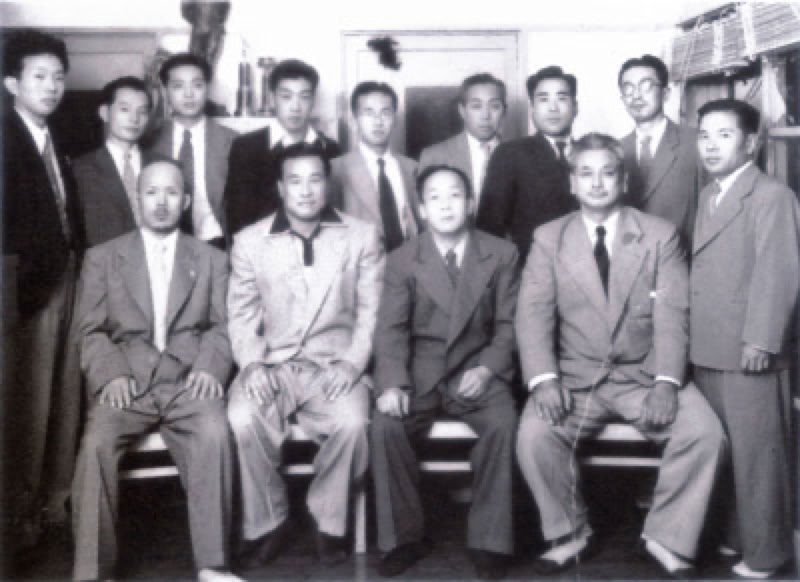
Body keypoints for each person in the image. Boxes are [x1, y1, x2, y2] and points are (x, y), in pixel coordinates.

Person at [515, 133, 725, 578]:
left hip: (644, 375)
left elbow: (672, 314)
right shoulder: (549, 238)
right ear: (572, 183)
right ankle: (570, 532)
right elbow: (533, 315)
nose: (596, 183)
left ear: (624, 180)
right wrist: (544, 379)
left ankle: (668, 536)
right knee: (534, 436)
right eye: (586, 173)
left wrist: (667, 382)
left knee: (705, 434)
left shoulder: (659, 235)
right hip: (575, 378)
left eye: (607, 173)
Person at [71, 158, 239, 582]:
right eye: (151, 192)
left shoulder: (212, 258)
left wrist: (210, 368)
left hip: (188, 382)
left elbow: (223, 326)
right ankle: (93, 572)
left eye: (171, 193)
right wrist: (111, 375)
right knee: (95, 444)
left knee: (215, 433)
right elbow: (89, 330)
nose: (161, 202)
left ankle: (213, 564)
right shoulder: (103, 258)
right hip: (127, 382)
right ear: (137, 199)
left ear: (186, 201)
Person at [226, 142, 384, 567]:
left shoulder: (361, 236)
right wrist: (252, 364)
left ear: (328, 184)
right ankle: (269, 521)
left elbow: (372, 313)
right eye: (295, 181)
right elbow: (241, 317)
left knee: (353, 423)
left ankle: (325, 518)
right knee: (242, 417)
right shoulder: (250, 241)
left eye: (315, 179)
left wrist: (352, 363)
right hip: (273, 364)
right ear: (280, 188)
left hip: (334, 365)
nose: (306, 190)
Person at [371, 165, 519, 580]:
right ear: (421, 209)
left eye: (455, 195)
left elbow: (509, 325)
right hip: (420, 372)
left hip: (477, 368)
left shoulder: (501, 253)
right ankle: (403, 539)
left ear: (470, 203)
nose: (446, 205)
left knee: (504, 424)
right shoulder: (402, 259)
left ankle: (490, 541)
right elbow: (391, 329)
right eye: (434, 197)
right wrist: (392, 383)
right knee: (385, 426)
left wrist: (487, 369)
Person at [691, 98, 799, 579]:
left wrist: (761, 340)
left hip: (747, 350)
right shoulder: (709, 194)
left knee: (759, 458)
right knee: (729, 452)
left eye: (724, 135)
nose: (711, 145)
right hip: (709, 347)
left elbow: (779, 272)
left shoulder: (772, 195)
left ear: (751, 143)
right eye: (704, 135)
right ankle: (739, 536)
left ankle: (768, 552)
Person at [2, 29, 85, 547]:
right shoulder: (5, 139)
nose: (52, 86)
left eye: (58, 76)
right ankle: (20, 516)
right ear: (11, 83)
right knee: (28, 404)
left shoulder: (59, 133)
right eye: (40, 76)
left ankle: (55, 503)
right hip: (25, 289)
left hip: (68, 276)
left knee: (65, 395)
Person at [224, 59, 341, 236]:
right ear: (272, 99)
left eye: (304, 97)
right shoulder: (246, 148)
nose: (295, 107)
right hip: (261, 247)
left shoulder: (330, 149)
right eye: (286, 97)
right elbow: (237, 217)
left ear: (313, 101)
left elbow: (336, 214)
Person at [477, 65, 579, 262]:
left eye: (561, 98)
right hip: (530, 269)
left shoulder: (591, 153)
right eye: (543, 99)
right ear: (532, 109)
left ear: (575, 107)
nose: (553, 108)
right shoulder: (510, 154)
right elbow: (489, 229)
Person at [147, 52, 236, 249]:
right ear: (166, 91)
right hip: (163, 244)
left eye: (197, 85)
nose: (188, 94)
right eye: (178, 86)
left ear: (207, 89)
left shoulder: (232, 141)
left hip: (217, 243)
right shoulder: (150, 142)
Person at [618, 54, 703, 247]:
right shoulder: (616, 150)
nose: (636, 95)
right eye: (628, 88)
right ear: (622, 98)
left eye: (646, 86)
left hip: (681, 257)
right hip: (631, 260)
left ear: (665, 93)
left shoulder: (695, 143)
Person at [330, 81, 420, 252]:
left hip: (408, 261)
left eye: (385, 112)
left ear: (394, 119)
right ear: (354, 120)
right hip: (360, 263)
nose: (378, 121)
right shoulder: (336, 170)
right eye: (369, 113)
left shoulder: (412, 168)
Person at [74, 76, 152, 247]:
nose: (134, 119)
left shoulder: (162, 166)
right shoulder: (80, 169)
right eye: (125, 109)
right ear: (104, 113)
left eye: (142, 111)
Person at [419, 73, 506, 205]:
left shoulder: (517, 155)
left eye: (494, 106)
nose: (485, 115)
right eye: (476, 106)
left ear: (504, 110)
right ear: (462, 110)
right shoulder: (434, 156)